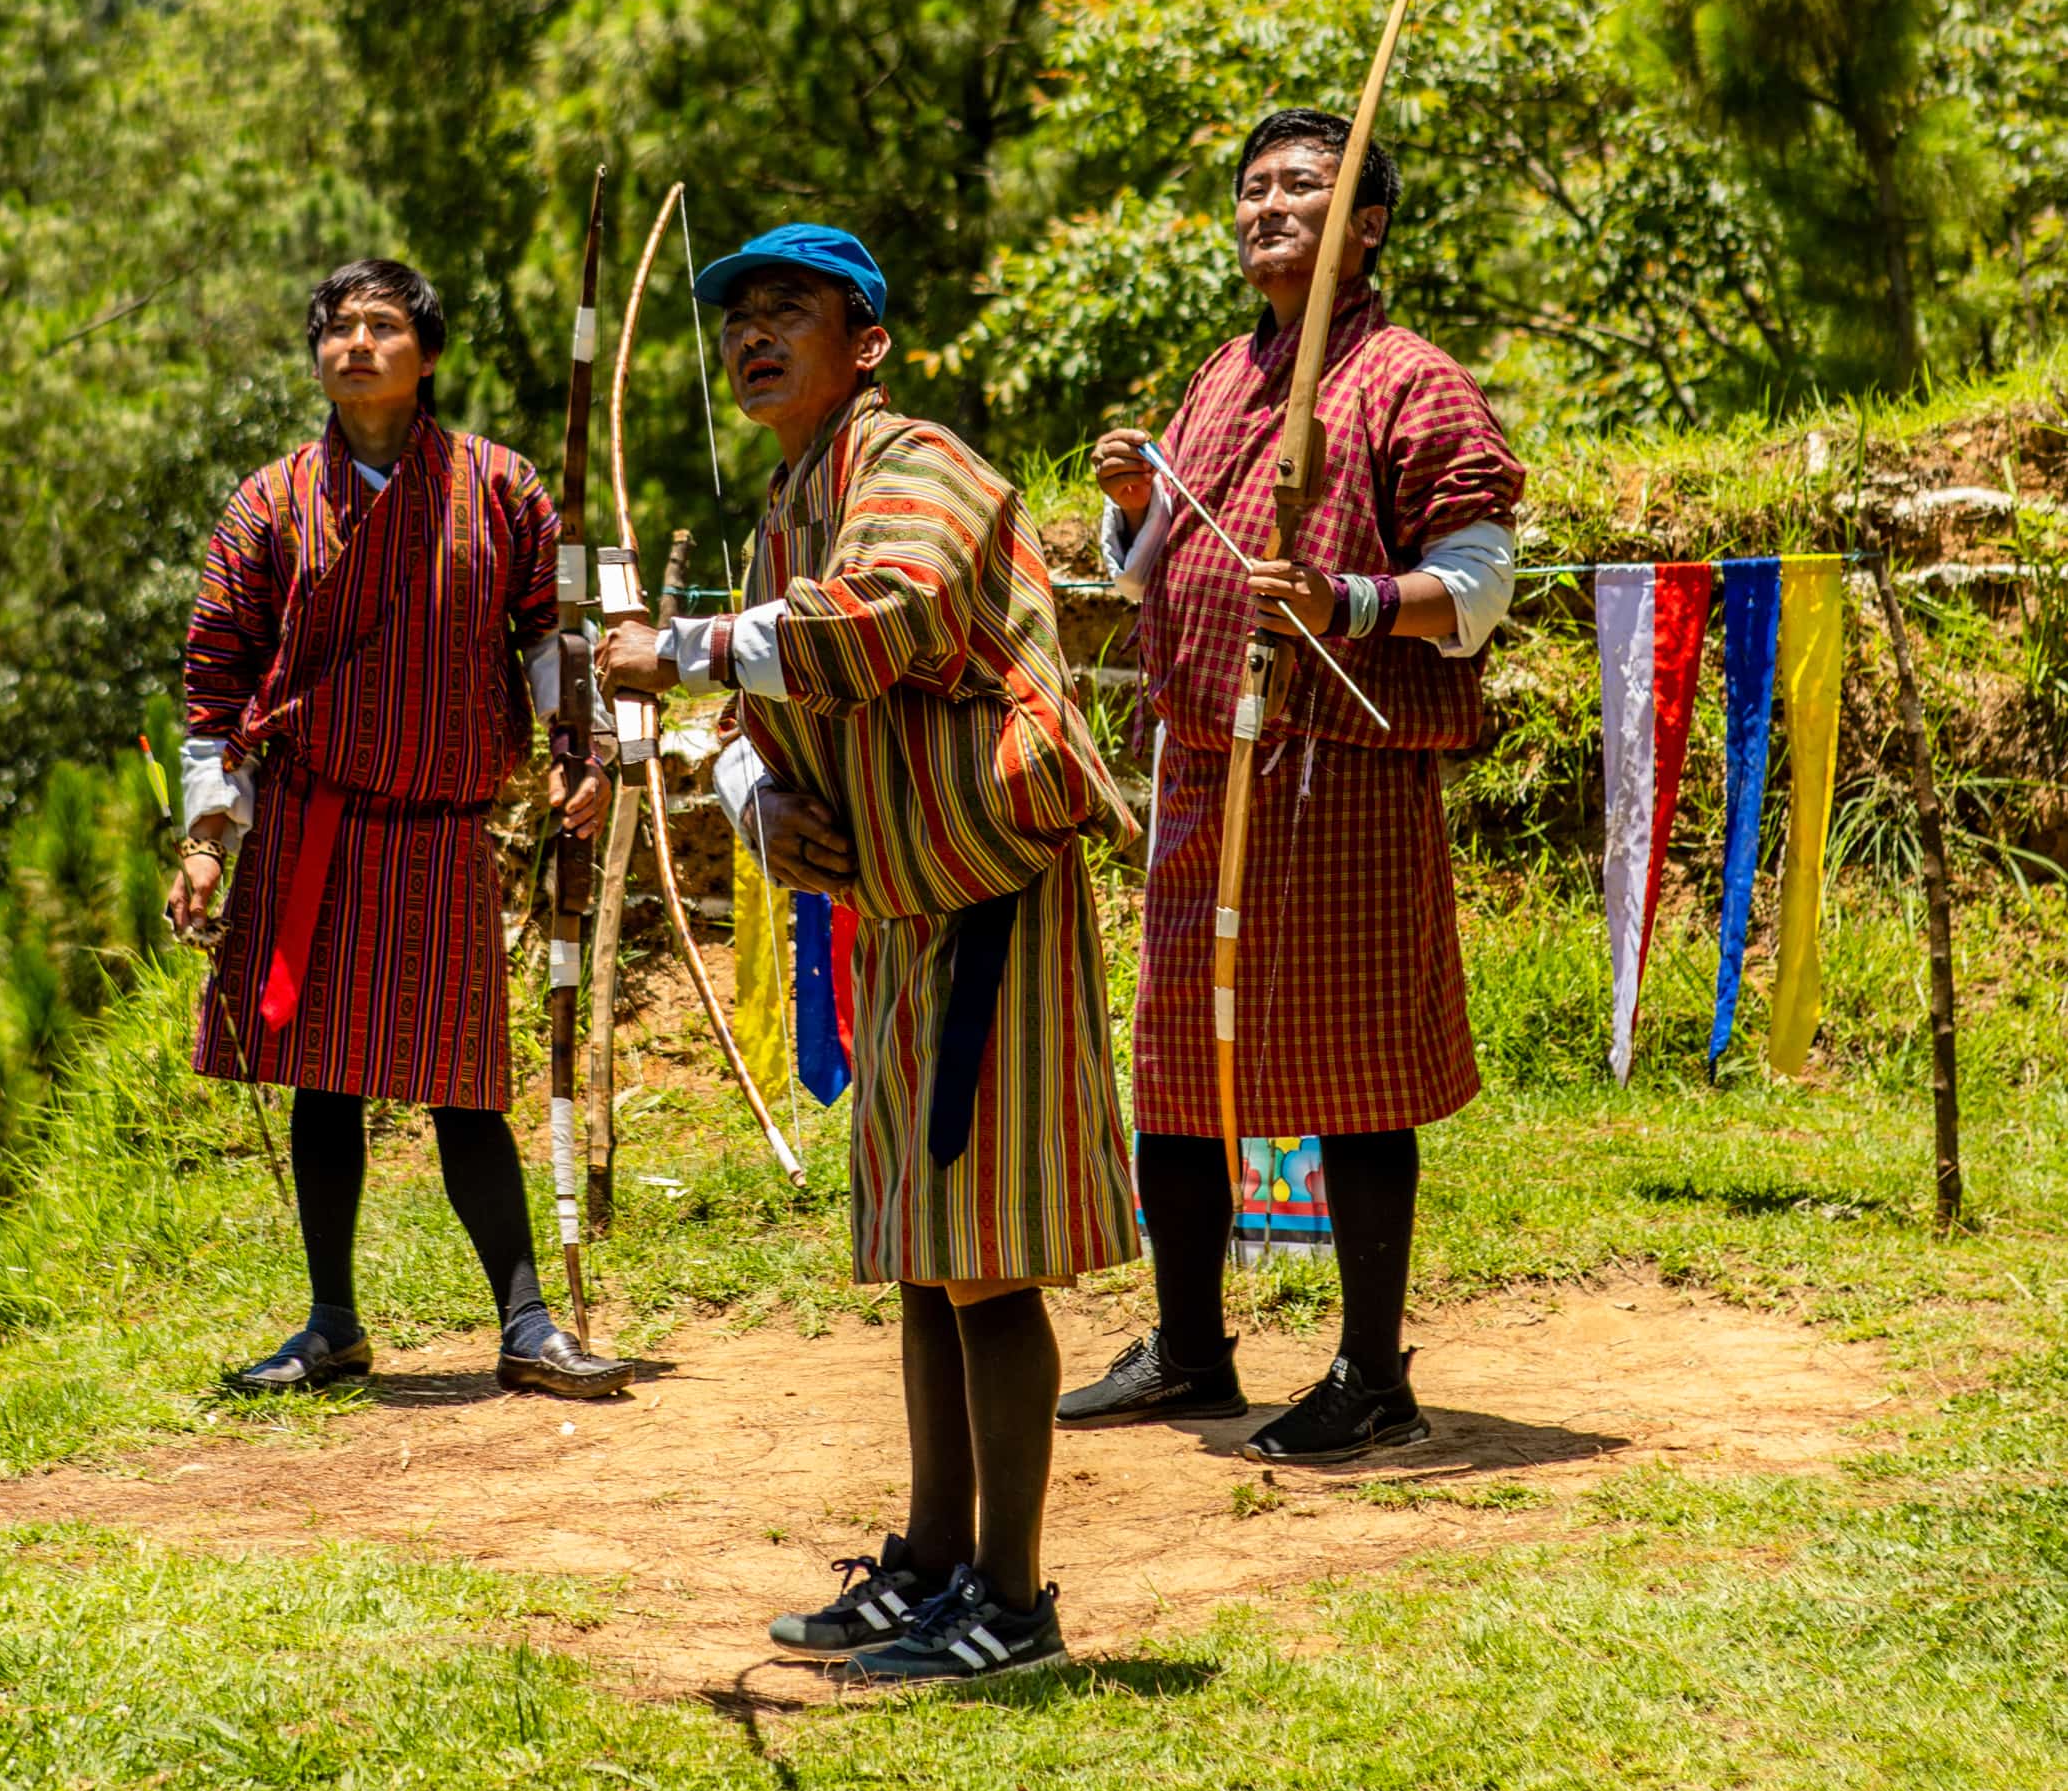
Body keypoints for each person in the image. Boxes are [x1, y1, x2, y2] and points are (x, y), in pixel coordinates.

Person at [599, 225, 1139, 1682]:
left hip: (985, 885)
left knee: (984, 1256)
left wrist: (696, 650)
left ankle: (1011, 1603)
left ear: (868, 342)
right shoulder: (793, 501)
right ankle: (932, 1565)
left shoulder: (916, 468)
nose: (753, 336)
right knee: (923, 1251)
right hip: (905, 905)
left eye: (792, 311)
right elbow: (775, 721)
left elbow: (881, 623)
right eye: (739, 318)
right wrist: (753, 794)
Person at [1059, 112, 1524, 1462]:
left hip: (1345, 772)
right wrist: (1135, 505)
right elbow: (1154, 574)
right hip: (1210, 760)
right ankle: (1192, 1350)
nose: (1269, 205)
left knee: (1357, 1076)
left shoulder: (1408, 380)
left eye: (1304, 187)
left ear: (1366, 225)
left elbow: (1479, 588)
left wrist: (1352, 599)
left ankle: (1372, 1373)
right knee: (1177, 1067)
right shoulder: (1221, 375)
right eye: (1254, 187)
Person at [172, 255, 634, 1402]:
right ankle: (333, 1323)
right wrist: (205, 833)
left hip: (439, 826)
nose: (356, 342)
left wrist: (583, 749)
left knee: (465, 1080)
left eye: (383, 325)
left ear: (425, 354)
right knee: (320, 1077)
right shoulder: (269, 501)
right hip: (310, 818)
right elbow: (215, 682)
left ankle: (526, 1323)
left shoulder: (503, 487)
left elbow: (546, 638)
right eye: (337, 326)